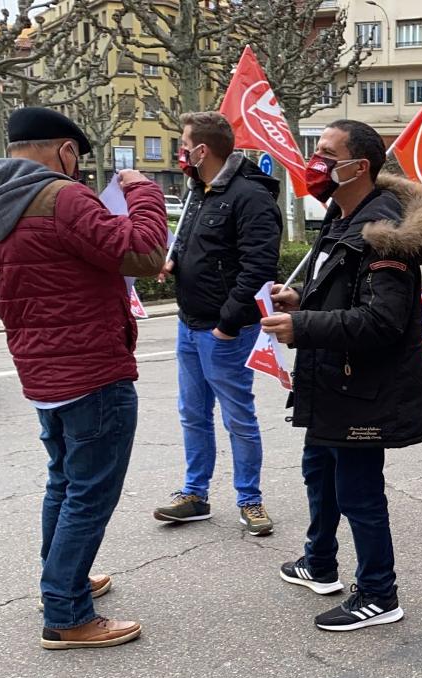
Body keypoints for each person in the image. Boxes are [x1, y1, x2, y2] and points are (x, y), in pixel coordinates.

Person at [0, 107, 168, 649]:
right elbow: (144, 253)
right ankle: (66, 613)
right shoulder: (63, 198)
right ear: (67, 150)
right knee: (90, 494)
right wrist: (143, 193)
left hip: (41, 370)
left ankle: (61, 581)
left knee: (65, 482)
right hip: (92, 369)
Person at [264, 119, 422, 631]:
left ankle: (380, 594)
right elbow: (345, 290)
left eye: (326, 153)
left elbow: (383, 321)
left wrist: (303, 325)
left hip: (362, 388)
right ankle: (319, 563)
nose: (314, 163)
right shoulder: (343, 217)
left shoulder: (383, 234)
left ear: (358, 166)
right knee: (319, 472)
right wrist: (301, 299)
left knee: (359, 491)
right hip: (331, 381)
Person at [152, 112, 281, 535]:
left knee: (237, 416)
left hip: (226, 332)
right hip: (189, 325)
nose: (181, 152)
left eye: (184, 145)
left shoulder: (250, 196)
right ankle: (195, 494)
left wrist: (227, 324)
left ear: (202, 150)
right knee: (193, 413)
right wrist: (174, 261)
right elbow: (194, 242)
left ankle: (250, 499)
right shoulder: (199, 190)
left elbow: (259, 268)